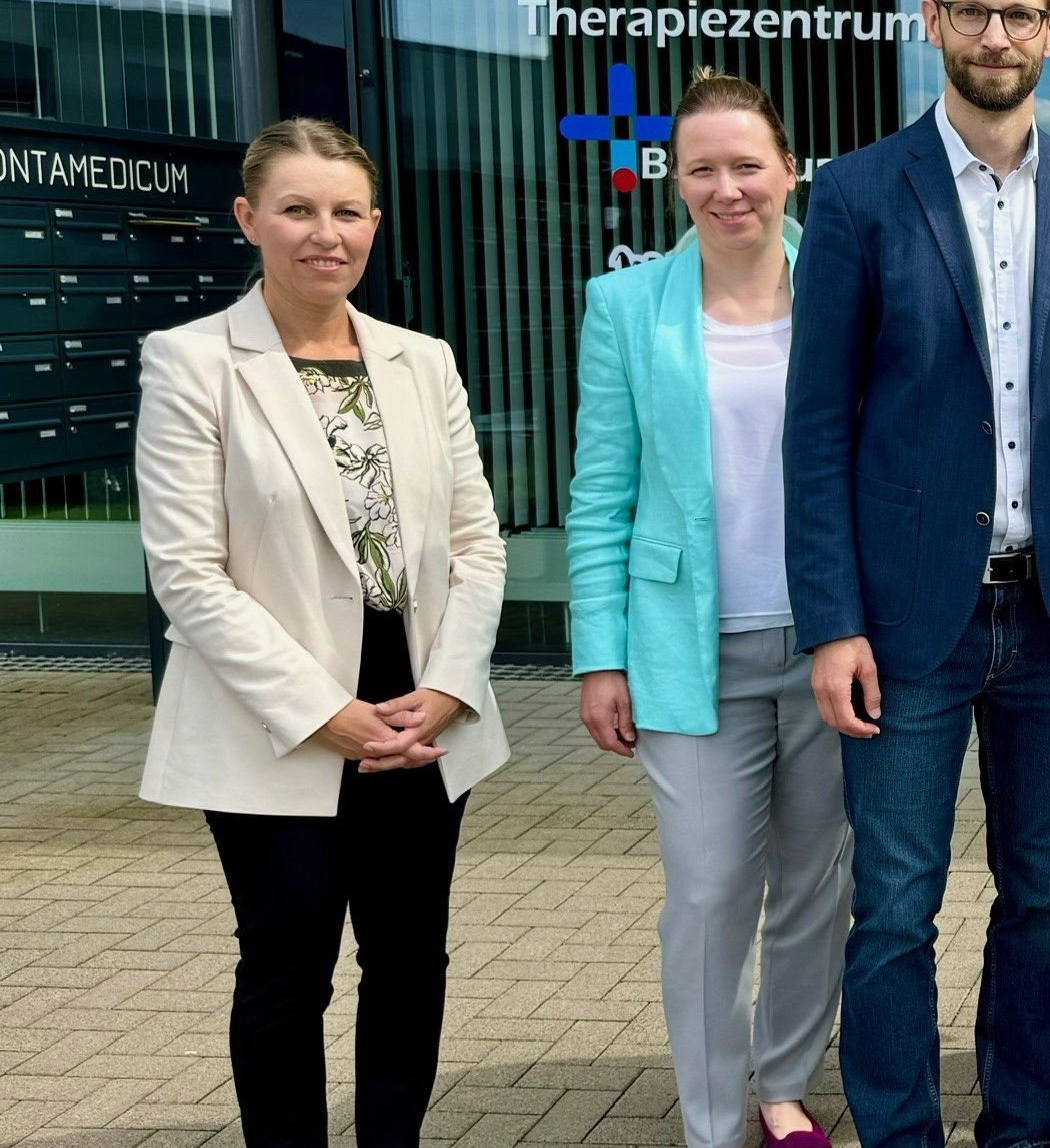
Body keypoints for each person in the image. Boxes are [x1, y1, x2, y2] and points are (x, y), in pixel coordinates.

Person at [781, 0, 1050, 1148]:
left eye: (1018, 13)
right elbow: (817, 425)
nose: (995, 35)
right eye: (969, 11)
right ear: (930, 22)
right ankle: (898, 1132)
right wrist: (829, 621)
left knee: (1039, 894)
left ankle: (1022, 1127)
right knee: (892, 904)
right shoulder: (856, 194)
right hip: (904, 624)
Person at [133, 117, 507, 1148]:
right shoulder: (193, 363)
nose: (323, 233)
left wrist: (451, 685)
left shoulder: (421, 361)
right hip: (279, 719)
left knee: (408, 959)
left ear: (374, 225)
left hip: (420, 706)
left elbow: (479, 544)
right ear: (250, 218)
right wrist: (323, 710)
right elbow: (188, 575)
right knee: (286, 964)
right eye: (297, 209)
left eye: (345, 211)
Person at [566, 69, 848, 1148]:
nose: (728, 187)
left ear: (788, 167)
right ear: (671, 179)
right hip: (689, 650)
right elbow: (602, 491)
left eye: (747, 164)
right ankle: (712, 1116)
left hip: (830, 639)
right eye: (702, 168)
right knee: (710, 888)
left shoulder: (842, 278)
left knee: (820, 882)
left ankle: (782, 1086)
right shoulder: (626, 305)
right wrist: (600, 655)